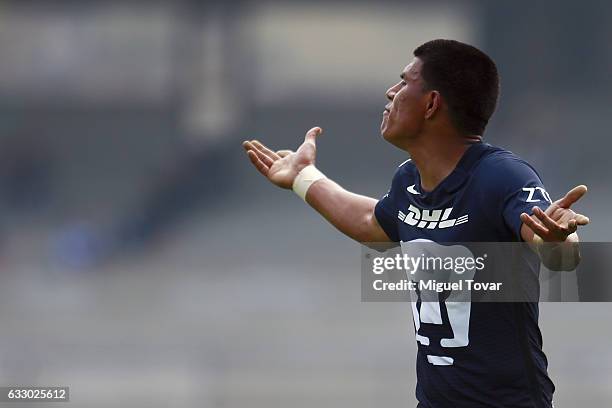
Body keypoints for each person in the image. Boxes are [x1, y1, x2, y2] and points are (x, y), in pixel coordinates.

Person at [242, 39, 589, 408]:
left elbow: (554, 249)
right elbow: (370, 221)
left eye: (404, 81)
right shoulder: (409, 180)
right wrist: (303, 177)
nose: (390, 92)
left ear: (432, 103)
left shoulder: (503, 176)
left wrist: (557, 241)